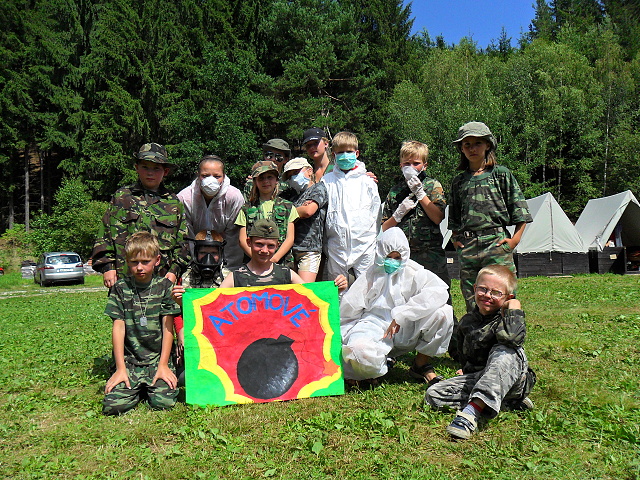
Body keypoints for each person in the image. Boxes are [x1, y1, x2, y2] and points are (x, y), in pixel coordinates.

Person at [425, 265, 536, 440]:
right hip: (481, 378)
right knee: (434, 394)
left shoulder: (507, 319)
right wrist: (465, 370)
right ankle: (505, 402)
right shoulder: (467, 322)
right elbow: (464, 353)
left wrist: (514, 307)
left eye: (496, 293)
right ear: (475, 289)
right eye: (483, 289)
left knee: (504, 350)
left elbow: (512, 339)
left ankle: (470, 414)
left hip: (513, 378)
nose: (487, 295)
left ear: (508, 297)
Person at [340, 228, 453, 387]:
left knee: (443, 313)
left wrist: (403, 314)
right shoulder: (371, 274)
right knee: (358, 349)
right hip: (373, 325)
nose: (392, 261)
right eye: (388, 257)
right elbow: (350, 308)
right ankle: (379, 367)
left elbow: (438, 291)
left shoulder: (414, 272)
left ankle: (420, 365)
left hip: (406, 327)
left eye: (397, 257)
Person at [448, 122, 532, 312]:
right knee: (473, 298)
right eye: (467, 144)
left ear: (488, 145)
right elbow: (454, 216)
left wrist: (514, 240)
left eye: (477, 143)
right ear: (461, 148)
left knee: (502, 294)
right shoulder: (459, 181)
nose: (472, 149)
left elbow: (520, 211)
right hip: (468, 246)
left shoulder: (501, 175)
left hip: (496, 244)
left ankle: (508, 330)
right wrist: (456, 240)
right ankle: (477, 331)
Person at [102, 232, 180, 415]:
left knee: (163, 402)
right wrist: (120, 368)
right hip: (130, 361)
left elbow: (168, 328)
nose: (139, 267)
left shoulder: (165, 287)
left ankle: (149, 386)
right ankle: (134, 386)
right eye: (134, 262)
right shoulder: (121, 288)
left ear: (157, 260)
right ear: (127, 261)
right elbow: (118, 327)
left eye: (145, 262)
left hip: (157, 360)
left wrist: (163, 365)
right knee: (113, 406)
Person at [91, 142, 189, 288]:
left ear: (166, 171)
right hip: (124, 281)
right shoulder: (122, 198)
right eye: (145, 167)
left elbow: (183, 244)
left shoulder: (174, 203)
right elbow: (105, 235)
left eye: (156, 168)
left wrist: (174, 271)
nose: (150, 173)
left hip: (161, 282)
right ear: (137, 168)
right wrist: (108, 267)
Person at [381, 140, 449, 287]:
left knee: (437, 291)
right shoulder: (395, 191)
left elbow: (438, 217)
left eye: (416, 163)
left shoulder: (432, 186)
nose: (411, 167)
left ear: (424, 165)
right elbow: (385, 228)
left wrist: (420, 194)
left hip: (430, 253)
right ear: (401, 165)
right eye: (407, 163)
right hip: (404, 255)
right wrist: (398, 214)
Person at [220, 219, 347, 290]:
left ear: (277, 246)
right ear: (249, 242)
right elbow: (215, 305)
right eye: (259, 244)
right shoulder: (235, 277)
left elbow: (311, 297)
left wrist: (336, 288)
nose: (264, 250)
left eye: (270, 246)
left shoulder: (286, 275)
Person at [321, 131, 381, 283]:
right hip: (337, 248)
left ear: (357, 153)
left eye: (349, 151)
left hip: (365, 246)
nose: (345, 156)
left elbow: (376, 214)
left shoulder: (367, 182)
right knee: (338, 288)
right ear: (334, 155)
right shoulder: (326, 181)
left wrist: (371, 239)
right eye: (340, 152)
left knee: (368, 288)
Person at [177, 155, 244, 268]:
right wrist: (192, 265)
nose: (211, 180)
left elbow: (233, 238)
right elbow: (187, 236)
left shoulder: (234, 197)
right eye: (205, 176)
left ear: (224, 176)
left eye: (217, 176)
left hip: (226, 260)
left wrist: (229, 268)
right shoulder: (185, 198)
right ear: (198, 175)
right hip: (194, 261)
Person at [235, 161, 298, 266]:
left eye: (270, 177)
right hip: (253, 264)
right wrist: (257, 259)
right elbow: (242, 240)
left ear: (276, 180)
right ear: (255, 181)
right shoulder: (246, 208)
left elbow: (290, 238)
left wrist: (274, 260)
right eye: (261, 178)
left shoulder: (288, 207)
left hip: (281, 263)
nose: (266, 181)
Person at [281, 157, 328, 282]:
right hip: (290, 251)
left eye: (296, 172)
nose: (293, 178)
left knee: (304, 289)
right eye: (289, 176)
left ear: (309, 171)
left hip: (310, 250)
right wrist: (298, 210)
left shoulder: (318, 188)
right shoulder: (291, 195)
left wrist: (288, 212)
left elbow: (308, 211)